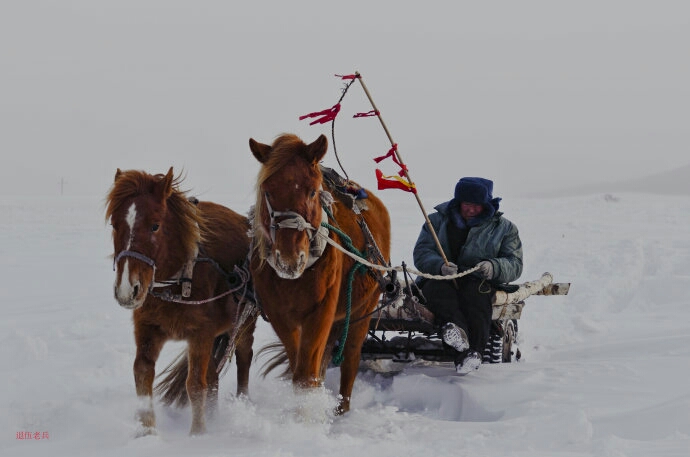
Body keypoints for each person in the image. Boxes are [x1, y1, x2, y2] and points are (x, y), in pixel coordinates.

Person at [413, 177, 523, 374]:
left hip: (480, 282)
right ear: (458, 202)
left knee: (476, 300)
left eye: (477, 206)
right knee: (438, 294)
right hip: (442, 279)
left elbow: (515, 263)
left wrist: (493, 267)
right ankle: (459, 338)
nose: (470, 210)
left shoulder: (505, 228)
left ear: (487, 204)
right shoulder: (436, 221)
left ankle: (474, 352)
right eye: (466, 204)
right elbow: (422, 253)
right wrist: (439, 266)